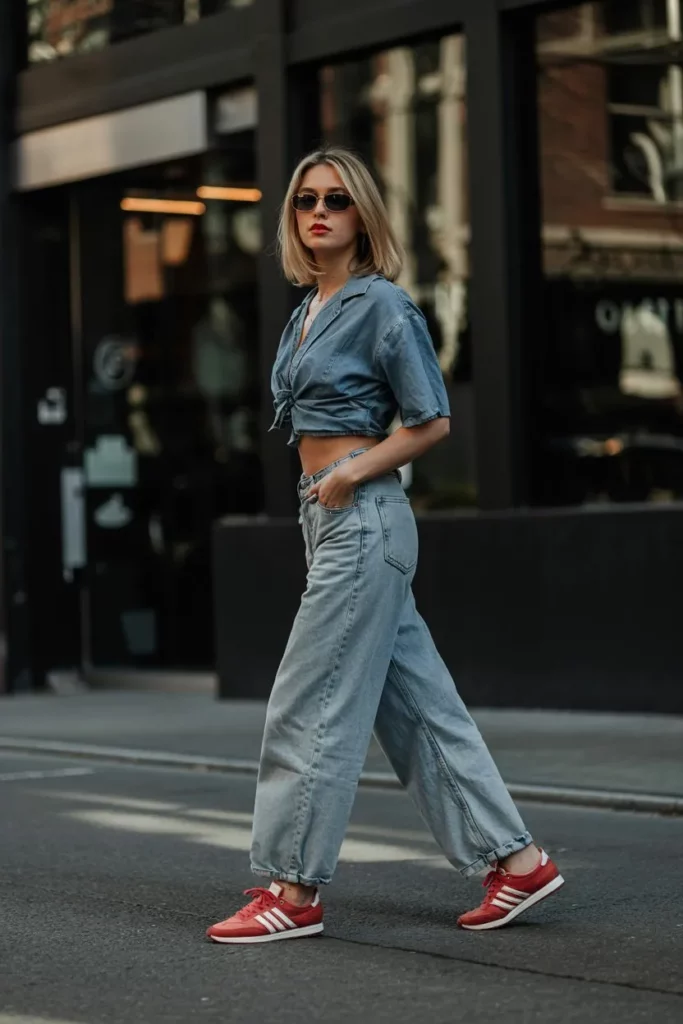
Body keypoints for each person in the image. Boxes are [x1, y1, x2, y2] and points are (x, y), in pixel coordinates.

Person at [206, 147, 564, 943]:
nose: (318, 212)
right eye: (305, 200)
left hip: (362, 515)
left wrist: (351, 472)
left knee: (309, 703)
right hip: (329, 516)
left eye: (335, 199)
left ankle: (292, 890)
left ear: (362, 214)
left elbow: (430, 419)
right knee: (416, 708)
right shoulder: (308, 308)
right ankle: (517, 862)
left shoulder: (382, 305)